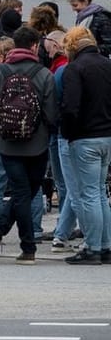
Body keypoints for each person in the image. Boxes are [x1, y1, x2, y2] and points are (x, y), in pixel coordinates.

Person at [0, 29, 59, 265]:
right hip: (37, 145)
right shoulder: (44, 74)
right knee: (27, 192)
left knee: (21, 193)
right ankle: (28, 247)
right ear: (34, 46)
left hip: (7, 144)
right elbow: (51, 114)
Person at [58, 25, 111, 265]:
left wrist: (68, 134)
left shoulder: (75, 68)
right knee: (100, 192)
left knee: (89, 193)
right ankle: (106, 245)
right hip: (106, 136)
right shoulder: (107, 64)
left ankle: (92, 247)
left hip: (85, 137)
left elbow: (71, 107)